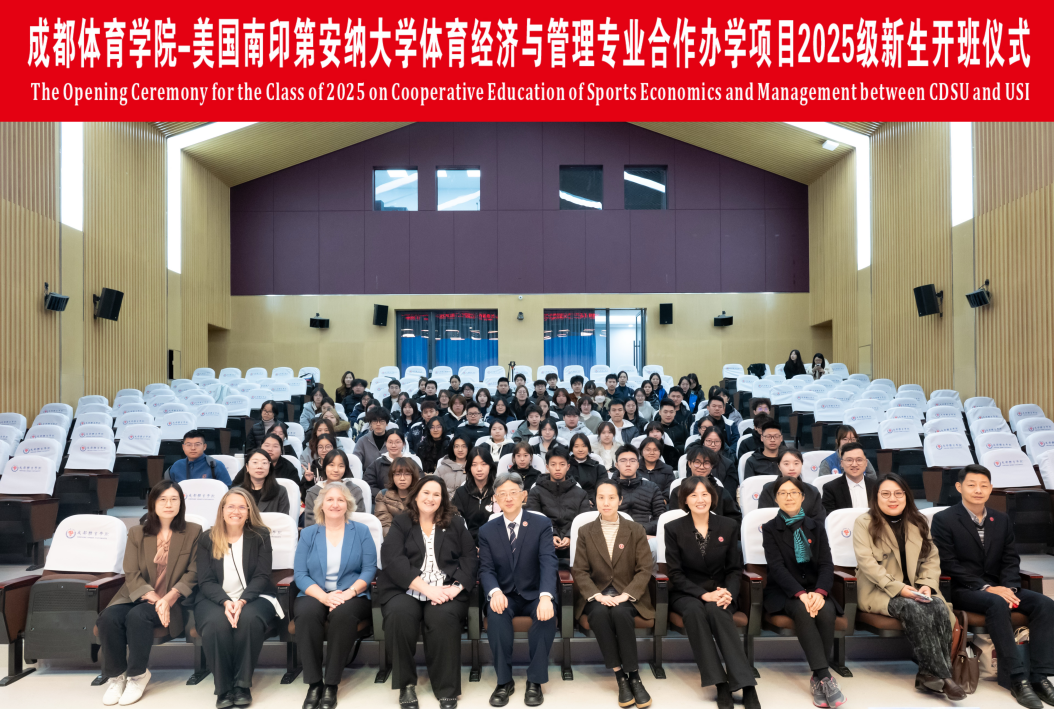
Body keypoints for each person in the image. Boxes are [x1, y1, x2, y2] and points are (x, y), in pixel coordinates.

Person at [932, 465, 1054, 708]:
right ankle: (1017, 678)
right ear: (959, 487)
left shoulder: (1001, 519)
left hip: (1001, 588)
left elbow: (1010, 560)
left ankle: (1040, 676)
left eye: (984, 485)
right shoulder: (944, 519)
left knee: (1045, 604)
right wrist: (987, 587)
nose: (978, 490)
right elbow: (948, 564)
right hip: (963, 588)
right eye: (971, 485)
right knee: (996, 602)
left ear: (990, 489)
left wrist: (1011, 589)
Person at [853, 474, 964, 700]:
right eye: (885, 494)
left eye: (898, 493)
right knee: (912, 607)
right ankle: (945, 676)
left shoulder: (918, 521)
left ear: (906, 496)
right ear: (876, 497)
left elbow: (931, 559)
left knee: (939, 606)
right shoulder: (864, 522)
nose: (892, 499)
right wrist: (900, 589)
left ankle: (926, 675)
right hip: (879, 590)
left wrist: (927, 585)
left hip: (916, 589)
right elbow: (867, 564)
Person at [376, 476, 478, 709]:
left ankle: (446, 688)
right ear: (416, 495)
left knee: (443, 618)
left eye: (436, 494)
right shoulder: (402, 521)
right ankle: (406, 685)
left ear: (443, 499)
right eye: (426, 493)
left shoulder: (455, 523)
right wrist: (426, 589)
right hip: (407, 587)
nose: (430, 498)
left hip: (446, 588)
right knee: (399, 615)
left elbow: (470, 558)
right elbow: (393, 558)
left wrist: (456, 588)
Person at [97, 481, 201, 706]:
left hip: (173, 599)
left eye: (174, 499)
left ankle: (138, 675)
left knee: (139, 616)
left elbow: (193, 572)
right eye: (162, 499)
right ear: (153, 503)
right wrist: (155, 598)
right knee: (108, 617)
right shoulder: (137, 532)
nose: (168, 504)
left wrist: (168, 599)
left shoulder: (194, 531)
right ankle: (116, 677)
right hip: (136, 594)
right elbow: (131, 572)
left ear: (181, 503)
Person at [665, 476, 760, 709]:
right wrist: (702, 594)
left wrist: (728, 593)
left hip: (721, 591)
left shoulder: (728, 525)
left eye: (705, 494)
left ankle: (746, 684)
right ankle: (720, 683)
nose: (700, 499)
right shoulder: (673, 528)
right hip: (686, 592)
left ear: (712, 497)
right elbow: (675, 574)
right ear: (685, 500)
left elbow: (734, 569)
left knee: (718, 611)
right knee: (695, 612)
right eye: (694, 495)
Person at [192, 488, 283, 708]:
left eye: (243, 507)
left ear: (249, 511)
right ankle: (223, 688)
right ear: (222, 510)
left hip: (255, 596)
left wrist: (241, 602)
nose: (236, 511)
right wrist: (226, 602)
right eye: (231, 506)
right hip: (215, 597)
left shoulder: (260, 535)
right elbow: (206, 580)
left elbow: (262, 576)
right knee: (215, 624)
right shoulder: (207, 538)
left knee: (249, 619)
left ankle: (242, 685)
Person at [762, 476, 845, 707]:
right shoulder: (770, 528)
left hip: (816, 589)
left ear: (803, 497)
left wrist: (819, 592)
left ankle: (818, 678)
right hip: (785, 591)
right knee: (803, 610)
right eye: (783, 493)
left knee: (826, 611)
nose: (788, 497)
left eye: (793, 492)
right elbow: (776, 567)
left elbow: (827, 564)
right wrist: (800, 593)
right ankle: (825, 676)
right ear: (776, 498)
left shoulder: (816, 526)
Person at [294, 481, 377, 709]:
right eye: (330, 499)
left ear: (348, 504)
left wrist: (348, 593)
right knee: (306, 614)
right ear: (321, 505)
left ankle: (331, 683)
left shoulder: (361, 531)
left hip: (353, 595)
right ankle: (314, 683)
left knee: (342, 616)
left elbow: (369, 569)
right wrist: (324, 597)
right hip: (315, 593)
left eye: (340, 500)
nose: (335, 504)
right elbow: (300, 574)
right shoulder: (308, 534)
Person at [572, 479, 654, 708]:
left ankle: (634, 676)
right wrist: (597, 596)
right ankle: (620, 676)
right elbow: (580, 570)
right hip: (597, 594)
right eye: (601, 498)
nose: (606, 502)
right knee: (598, 614)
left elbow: (645, 568)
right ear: (594, 501)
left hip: (626, 594)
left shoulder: (636, 530)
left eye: (611, 497)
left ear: (620, 500)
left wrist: (626, 595)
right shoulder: (585, 531)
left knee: (620, 613)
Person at [479, 472, 559, 707]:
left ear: (523, 495)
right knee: (496, 615)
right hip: (505, 594)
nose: (508, 498)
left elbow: (548, 561)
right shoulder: (487, 530)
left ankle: (535, 680)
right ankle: (504, 681)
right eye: (502, 494)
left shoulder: (541, 524)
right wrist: (494, 592)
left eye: (513, 492)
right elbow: (486, 569)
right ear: (495, 498)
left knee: (546, 616)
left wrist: (546, 596)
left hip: (535, 593)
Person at [526, 447, 592, 564]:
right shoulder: (536, 491)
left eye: (562, 464)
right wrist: (551, 535)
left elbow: (584, 520)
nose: (557, 468)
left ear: (568, 467)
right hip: (544, 542)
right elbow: (534, 519)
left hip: (575, 543)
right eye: (553, 464)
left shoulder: (581, 493)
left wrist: (570, 536)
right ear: (547, 467)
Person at [612, 445, 666, 536]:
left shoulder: (652, 487)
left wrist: (640, 530)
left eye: (632, 461)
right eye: (623, 460)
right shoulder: (608, 488)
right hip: (615, 535)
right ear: (616, 465)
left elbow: (661, 518)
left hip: (646, 535)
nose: (628, 464)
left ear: (638, 464)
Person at [758, 450, 825, 521]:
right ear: (779, 466)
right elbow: (764, 518)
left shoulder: (812, 491)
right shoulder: (769, 489)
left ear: (801, 465)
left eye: (796, 463)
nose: (792, 468)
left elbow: (819, 521)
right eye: (786, 464)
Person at [303, 449, 365, 526]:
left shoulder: (354, 490)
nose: (336, 470)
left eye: (341, 466)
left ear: (345, 468)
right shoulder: (313, 492)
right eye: (331, 465)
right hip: (320, 532)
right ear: (324, 467)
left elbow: (360, 520)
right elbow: (310, 524)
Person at [451, 447, 496, 543]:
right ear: (469, 468)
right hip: (466, 543)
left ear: (490, 466)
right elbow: (456, 523)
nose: (479, 469)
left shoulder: (498, 492)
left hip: (494, 542)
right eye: (474, 465)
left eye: (483, 464)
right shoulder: (461, 493)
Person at [685, 447, 741, 523]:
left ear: (712, 466)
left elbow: (735, 519)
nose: (701, 467)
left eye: (706, 463)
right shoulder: (679, 491)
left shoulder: (721, 492)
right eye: (697, 462)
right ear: (689, 464)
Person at [230, 448, 291, 515]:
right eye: (255, 462)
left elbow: (283, 519)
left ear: (269, 467)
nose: (259, 466)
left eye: (264, 463)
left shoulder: (280, 491)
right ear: (247, 467)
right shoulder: (236, 492)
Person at [821, 443, 878, 515]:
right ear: (842, 463)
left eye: (859, 460)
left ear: (866, 463)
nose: (854, 464)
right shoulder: (830, 489)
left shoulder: (876, 487)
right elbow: (830, 517)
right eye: (849, 460)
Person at [375, 457, 421, 536]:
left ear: (413, 476)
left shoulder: (421, 495)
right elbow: (385, 525)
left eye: (407, 474)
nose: (402, 478)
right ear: (392, 476)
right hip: (394, 539)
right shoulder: (383, 495)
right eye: (397, 474)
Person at [167, 430, 232, 485]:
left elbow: (228, 490)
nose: (193, 448)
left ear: (204, 446)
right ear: (183, 447)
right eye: (189, 445)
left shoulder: (216, 465)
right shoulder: (177, 466)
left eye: (197, 444)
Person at [363, 430, 407, 500]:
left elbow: (419, 483)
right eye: (390, 442)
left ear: (403, 444)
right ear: (385, 443)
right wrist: (384, 496)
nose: (393, 445)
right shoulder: (377, 463)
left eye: (397, 442)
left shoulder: (411, 462)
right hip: (383, 501)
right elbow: (367, 484)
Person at [567, 433, 608, 501]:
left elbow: (603, 489)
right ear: (571, 448)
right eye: (576, 446)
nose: (580, 449)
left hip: (594, 502)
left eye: (584, 446)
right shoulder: (566, 467)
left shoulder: (599, 468)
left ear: (588, 448)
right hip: (571, 502)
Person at [637, 438, 675, 505]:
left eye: (655, 450)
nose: (652, 453)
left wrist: (662, 500)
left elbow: (670, 488)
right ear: (642, 452)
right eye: (648, 450)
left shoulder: (668, 469)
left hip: (661, 504)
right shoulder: (634, 468)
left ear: (660, 452)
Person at [302, 434, 337, 503]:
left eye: (328, 447)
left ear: (334, 447)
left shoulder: (339, 468)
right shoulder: (312, 469)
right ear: (316, 449)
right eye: (320, 447)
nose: (324, 450)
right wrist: (309, 482)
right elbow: (304, 497)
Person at [699, 428, 737, 492]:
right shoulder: (695, 462)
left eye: (716, 441)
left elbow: (729, 492)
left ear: (721, 443)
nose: (713, 444)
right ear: (703, 442)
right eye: (709, 441)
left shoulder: (728, 464)